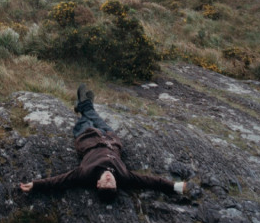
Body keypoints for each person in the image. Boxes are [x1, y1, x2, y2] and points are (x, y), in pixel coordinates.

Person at [19, 85, 188, 202]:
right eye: (112, 183)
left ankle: (84, 106)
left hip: (87, 138)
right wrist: (175, 186)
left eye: (106, 183)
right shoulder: (125, 177)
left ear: (98, 184)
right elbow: (150, 182)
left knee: (87, 120)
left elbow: (60, 181)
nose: (109, 179)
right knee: (96, 117)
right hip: (110, 139)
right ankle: (85, 106)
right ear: (116, 184)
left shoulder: (85, 174)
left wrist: (35, 185)